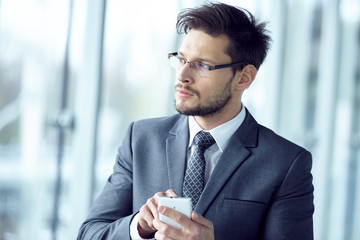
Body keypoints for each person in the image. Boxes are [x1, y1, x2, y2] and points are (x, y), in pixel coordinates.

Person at [77, 2, 314, 240]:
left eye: (202, 65)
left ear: (244, 77)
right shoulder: (140, 138)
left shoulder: (286, 164)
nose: (182, 75)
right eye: (181, 59)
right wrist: (137, 227)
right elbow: (89, 233)